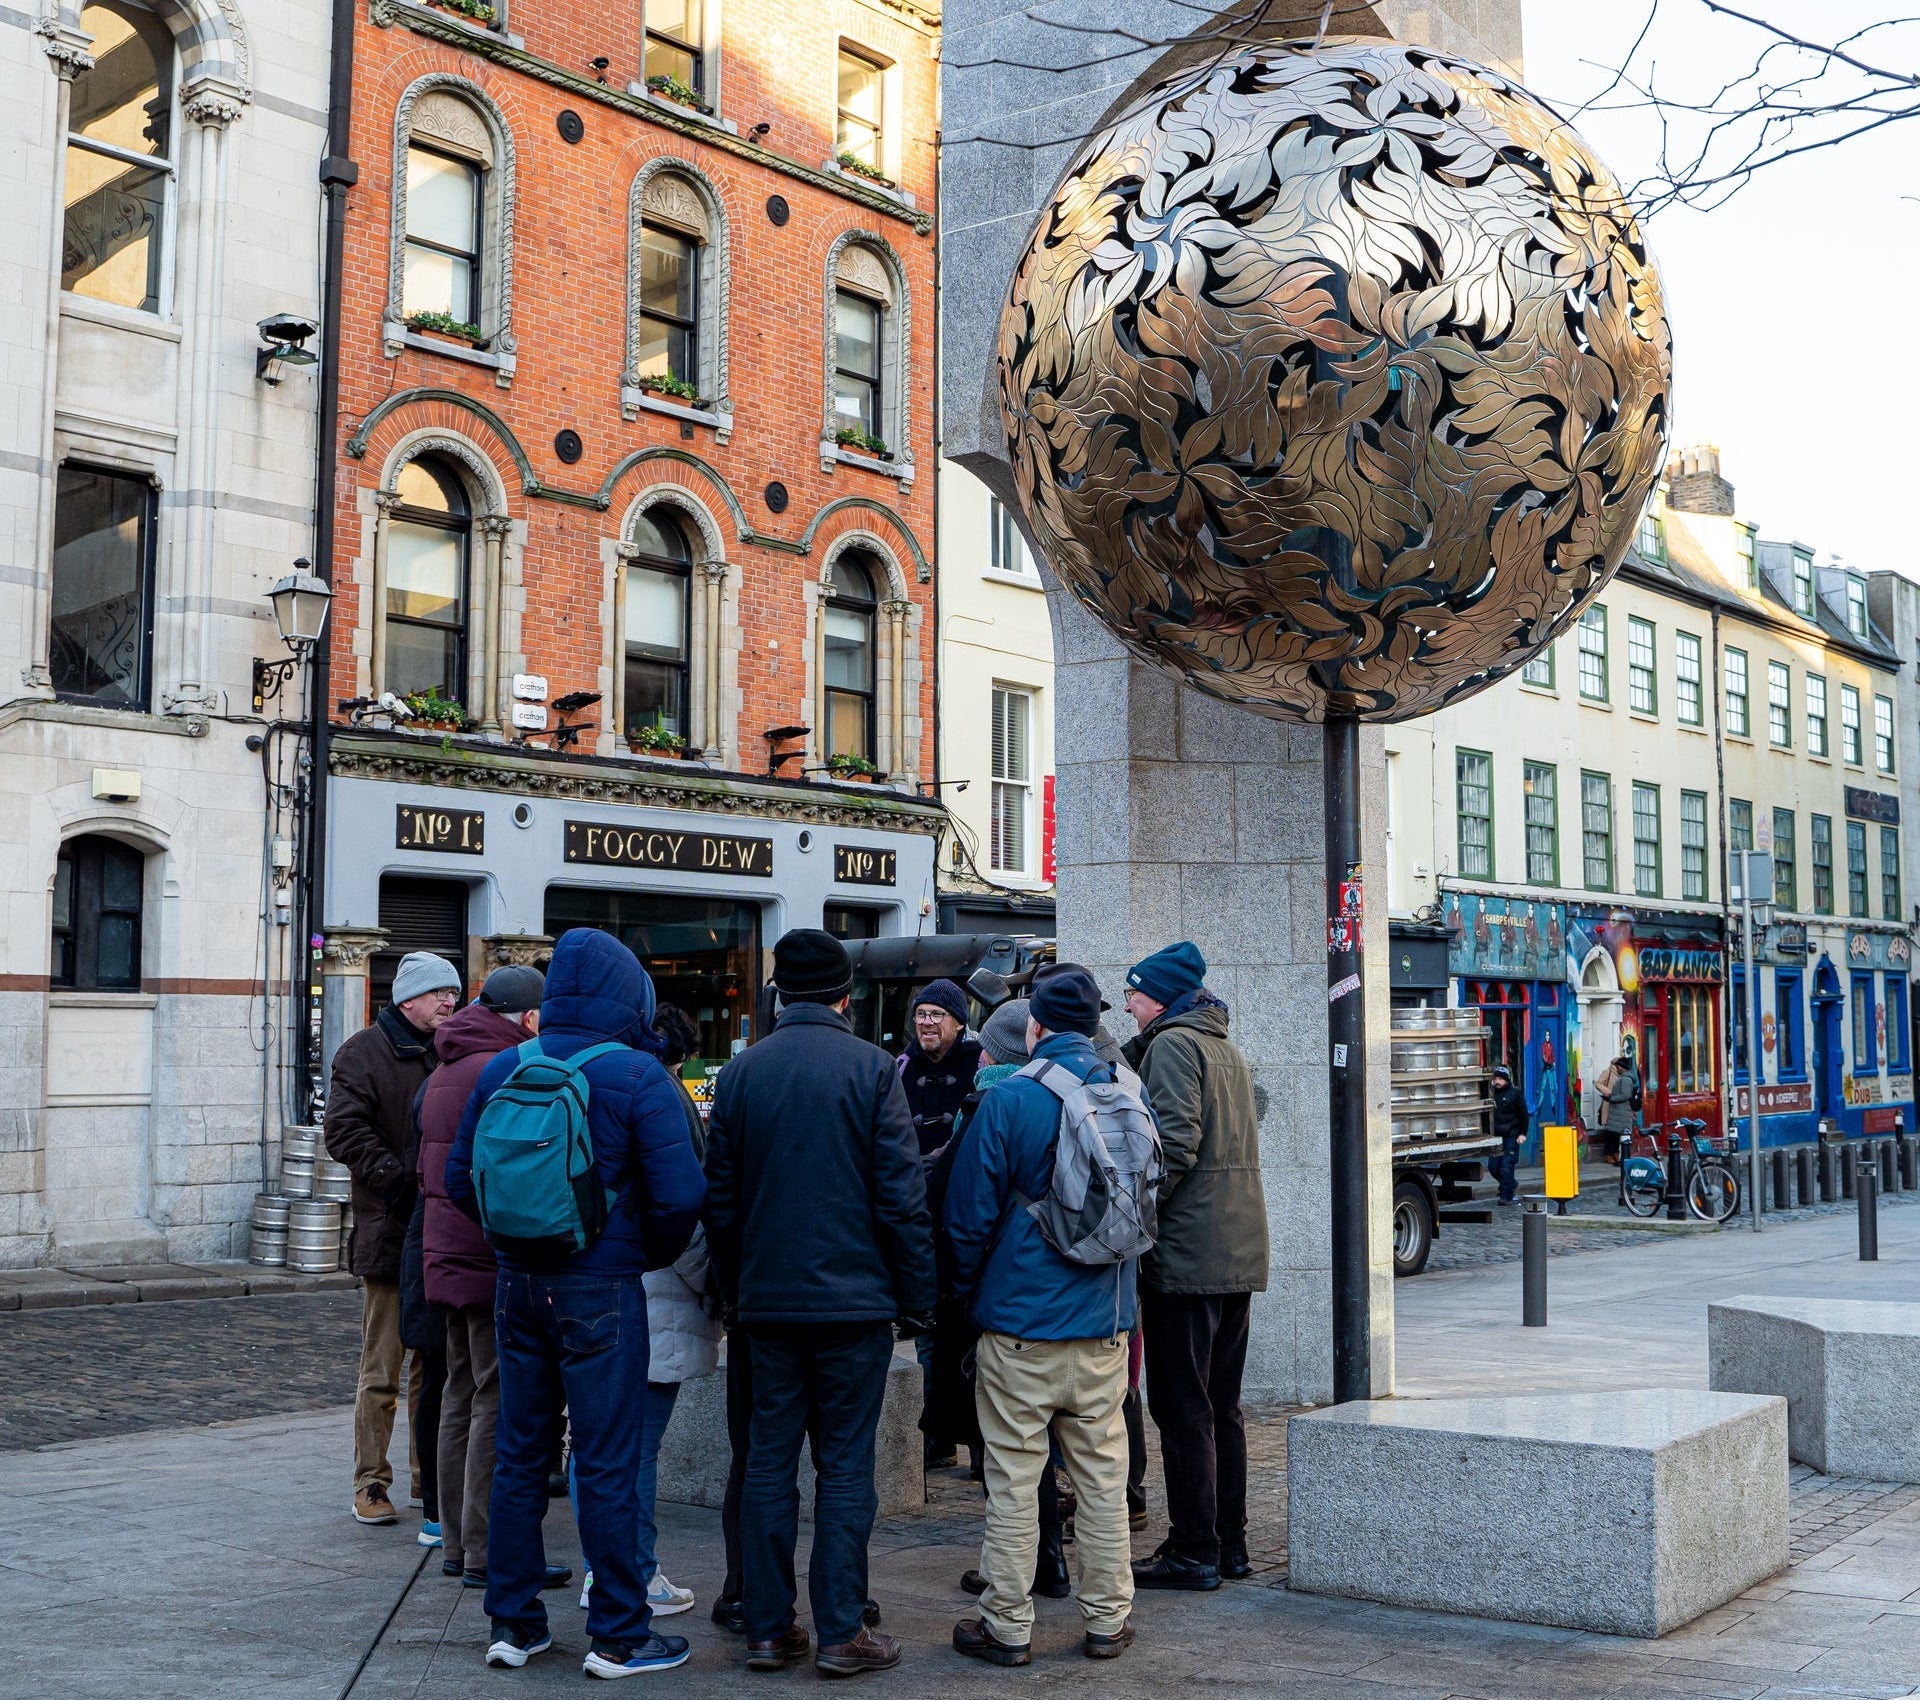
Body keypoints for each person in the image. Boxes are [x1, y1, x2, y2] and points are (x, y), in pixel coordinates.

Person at [446, 929, 706, 1679]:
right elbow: (684, 1194)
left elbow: (463, 1182)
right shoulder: (638, 1074)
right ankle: (620, 1634)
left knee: (520, 1453)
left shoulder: (504, 1067)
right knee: (606, 1460)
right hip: (602, 1291)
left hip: (516, 1287)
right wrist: (632, 1251)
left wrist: (517, 1243)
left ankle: (514, 1624)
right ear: (630, 995)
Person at [704, 928, 936, 1679]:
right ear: (846, 996)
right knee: (844, 1468)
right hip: (854, 1305)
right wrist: (917, 1296)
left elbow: (722, 1203)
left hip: (768, 1305)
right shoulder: (872, 1069)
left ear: (778, 995)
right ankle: (841, 1629)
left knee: (768, 1461)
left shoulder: (741, 1075)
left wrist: (737, 1291)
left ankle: (769, 1628)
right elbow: (902, 1200)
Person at [944, 966, 1139, 1667]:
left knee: (1014, 1481)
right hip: (1106, 1325)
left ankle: (1007, 1625)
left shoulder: (1013, 1100)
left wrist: (969, 1297)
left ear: (1034, 1030)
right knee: (1102, 1482)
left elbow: (965, 1219)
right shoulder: (1128, 1090)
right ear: (1092, 1027)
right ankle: (1109, 1620)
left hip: (1021, 1327)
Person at [1121, 941, 1267, 1593]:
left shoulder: (1175, 1046)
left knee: (1182, 1409)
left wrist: (1134, 1217)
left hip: (1187, 1255)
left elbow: (1171, 1145)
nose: (1128, 1004)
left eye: (1135, 993)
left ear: (1164, 996)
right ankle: (1229, 1546)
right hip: (1234, 1250)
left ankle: (1193, 1548)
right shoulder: (1220, 1045)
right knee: (1222, 1407)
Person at [575, 1003, 720, 1623]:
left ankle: (603, 1569)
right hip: (653, 1287)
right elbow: (682, 1207)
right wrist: (712, 1281)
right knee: (635, 1446)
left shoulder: (589, 1079)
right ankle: (629, 1572)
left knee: (595, 1443)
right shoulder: (663, 1096)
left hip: (585, 1279)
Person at [416, 962, 544, 1585]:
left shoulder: (447, 1062)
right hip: (486, 1251)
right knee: (493, 1396)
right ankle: (486, 1550)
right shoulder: (502, 1066)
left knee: (459, 1392)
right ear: (527, 1018)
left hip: (445, 1249)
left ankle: (455, 1546)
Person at [325, 950, 459, 1526]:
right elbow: (343, 1129)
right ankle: (370, 1482)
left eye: (454, 994)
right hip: (390, 1227)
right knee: (382, 1366)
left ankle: (428, 1474)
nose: (451, 1003)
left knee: (436, 1363)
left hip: (439, 1232)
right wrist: (395, 1180)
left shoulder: (449, 1049)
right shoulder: (363, 1052)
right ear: (410, 1000)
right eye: (441, 995)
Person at [899, 979, 983, 1157]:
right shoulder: (899, 1068)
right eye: (921, 1014)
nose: (926, 1022)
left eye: (937, 1014)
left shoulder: (981, 1066)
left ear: (959, 1022)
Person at [1489, 1063, 1525, 1206]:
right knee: (1493, 1167)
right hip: (1496, 1136)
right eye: (1495, 1078)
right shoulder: (1491, 1094)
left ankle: (1506, 1196)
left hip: (1512, 1135)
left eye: (1500, 1079)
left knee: (1506, 1166)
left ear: (1506, 1079)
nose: (1497, 1082)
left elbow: (1524, 1115)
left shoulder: (1515, 1094)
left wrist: (1522, 1133)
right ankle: (1511, 1184)